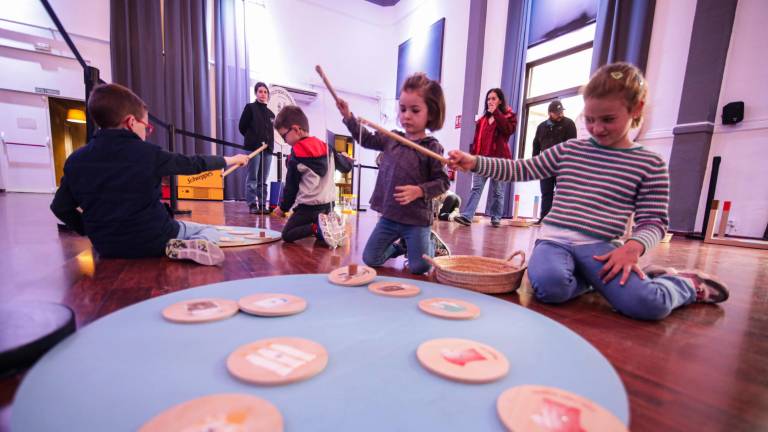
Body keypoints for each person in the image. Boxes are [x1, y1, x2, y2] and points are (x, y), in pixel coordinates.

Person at [448, 62, 729, 320]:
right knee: (548, 289)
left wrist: (633, 247)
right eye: (590, 119)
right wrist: (474, 161)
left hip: (602, 249)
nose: (597, 128)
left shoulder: (649, 164)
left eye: (607, 119)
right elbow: (521, 168)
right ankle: (592, 281)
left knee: (648, 305)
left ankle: (685, 284)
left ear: (637, 110)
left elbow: (654, 221)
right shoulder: (571, 150)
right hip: (554, 241)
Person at [50, 83, 249, 265]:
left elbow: (60, 207)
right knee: (209, 230)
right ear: (130, 122)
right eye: (146, 127)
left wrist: (89, 229)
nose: (147, 133)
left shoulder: (76, 160)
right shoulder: (149, 154)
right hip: (155, 240)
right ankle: (186, 246)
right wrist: (231, 160)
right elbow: (193, 164)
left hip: (106, 246)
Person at [336, 73, 450, 274]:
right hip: (390, 216)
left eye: (415, 110)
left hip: (416, 219)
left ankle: (429, 245)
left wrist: (419, 190)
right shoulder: (391, 138)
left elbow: (443, 182)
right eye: (403, 109)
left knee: (419, 267)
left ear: (430, 114)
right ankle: (401, 247)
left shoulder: (432, 147)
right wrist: (349, 118)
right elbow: (367, 139)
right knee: (371, 258)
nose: (406, 115)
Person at [272, 105, 353, 247]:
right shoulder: (328, 148)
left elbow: (291, 188)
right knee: (320, 235)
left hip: (308, 208)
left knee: (287, 234)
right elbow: (346, 168)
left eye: (284, 136)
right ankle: (324, 225)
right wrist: (347, 160)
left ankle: (317, 227)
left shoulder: (295, 155)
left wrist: (283, 208)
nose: (284, 141)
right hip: (329, 205)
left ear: (296, 130)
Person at [454, 88, 517, 227]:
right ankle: (467, 216)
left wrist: (496, 113)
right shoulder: (482, 120)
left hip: (499, 161)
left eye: (494, 98)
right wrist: (472, 158)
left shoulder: (509, 116)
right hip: (481, 160)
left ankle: (496, 218)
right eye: (488, 99)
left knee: (497, 191)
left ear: (500, 101)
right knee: (476, 188)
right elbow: (476, 140)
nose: (490, 101)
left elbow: (508, 130)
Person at [532, 99, 577, 222]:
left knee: (563, 193)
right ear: (550, 113)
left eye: (561, 111)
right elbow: (536, 145)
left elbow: (572, 145)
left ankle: (564, 220)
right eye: (557, 113)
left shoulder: (569, 124)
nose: (560, 114)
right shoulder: (541, 127)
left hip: (563, 165)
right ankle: (545, 218)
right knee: (546, 193)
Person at [239, 82, 275, 214]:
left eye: (265, 92)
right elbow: (242, 127)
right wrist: (252, 139)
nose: (263, 94)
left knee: (263, 179)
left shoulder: (271, 114)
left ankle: (262, 205)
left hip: (268, 150)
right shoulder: (250, 108)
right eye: (260, 91)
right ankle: (252, 204)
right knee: (253, 177)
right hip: (254, 148)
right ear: (256, 93)